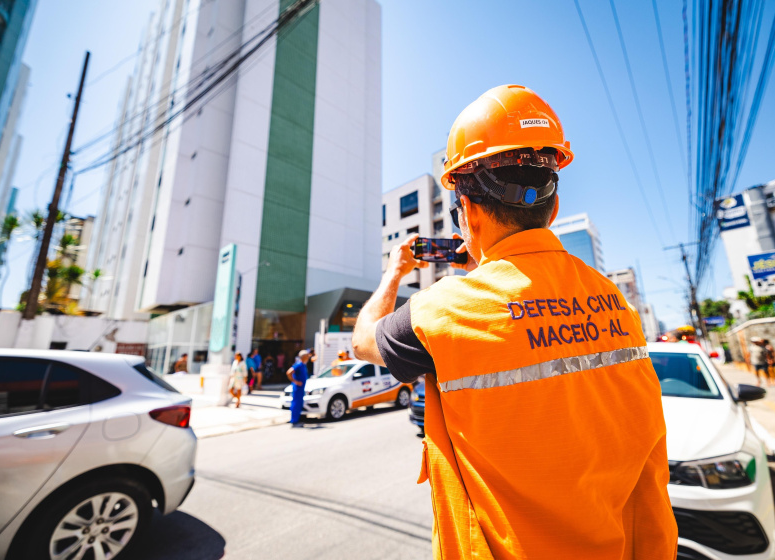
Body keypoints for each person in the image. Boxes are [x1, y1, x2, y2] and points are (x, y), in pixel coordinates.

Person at [352, 85, 677, 558]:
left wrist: (395, 272)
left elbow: (364, 342)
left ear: (468, 210)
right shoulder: (615, 302)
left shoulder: (444, 310)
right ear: (554, 208)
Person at [286, 349, 311, 428]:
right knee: (296, 404)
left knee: (299, 404)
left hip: (301, 388)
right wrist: (295, 381)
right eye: (307, 356)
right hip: (297, 388)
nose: (308, 357)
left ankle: (296, 420)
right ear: (303, 356)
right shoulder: (299, 364)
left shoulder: (303, 365)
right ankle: (294, 421)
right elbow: (289, 372)